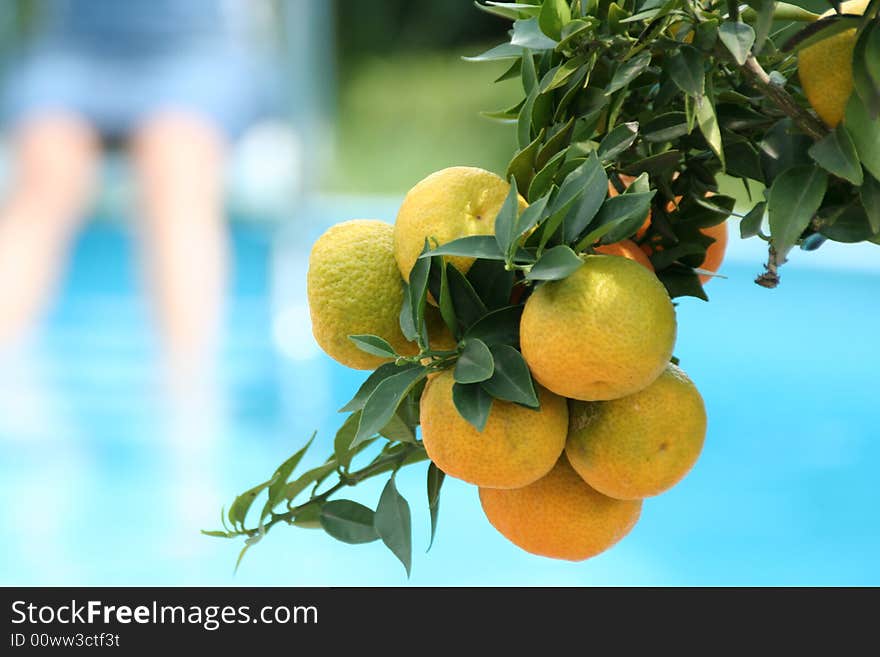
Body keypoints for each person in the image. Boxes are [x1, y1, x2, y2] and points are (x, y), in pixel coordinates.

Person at [0, 0, 272, 368]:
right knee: (46, 170)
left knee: (176, 161)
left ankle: (188, 382)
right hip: (73, 50)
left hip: (195, 51)